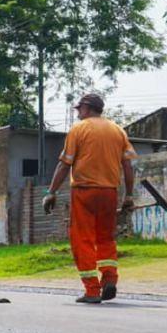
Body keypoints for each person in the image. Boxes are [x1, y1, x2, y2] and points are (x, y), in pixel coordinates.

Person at [43, 93, 136, 304]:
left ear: (87, 108)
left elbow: (64, 164)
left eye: (79, 109)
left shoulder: (79, 129)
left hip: (84, 192)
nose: (78, 113)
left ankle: (92, 290)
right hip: (109, 192)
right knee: (105, 237)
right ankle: (110, 278)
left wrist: (51, 192)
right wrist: (128, 195)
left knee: (82, 239)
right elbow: (128, 166)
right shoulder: (117, 130)